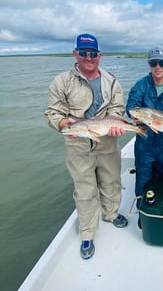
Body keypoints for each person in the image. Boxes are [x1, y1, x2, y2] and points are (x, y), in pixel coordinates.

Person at [45, 33, 128, 260]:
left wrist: (115, 122)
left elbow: (118, 108)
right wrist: (63, 123)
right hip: (78, 144)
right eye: (83, 53)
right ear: (75, 54)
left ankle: (111, 214)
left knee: (111, 180)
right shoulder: (61, 81)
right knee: (84, 189)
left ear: (99, 55)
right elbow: (53, 112)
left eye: (93, 54)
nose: (88, 58)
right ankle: (88, 233)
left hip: (108, 142)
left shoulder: (112, 81)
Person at [126, 45, 163, 217]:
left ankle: (161, 207)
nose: (157, 67)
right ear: (149, 64)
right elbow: (131, 107)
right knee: (142, 177)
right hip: (144, 142)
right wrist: (135, 116)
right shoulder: (141, 85)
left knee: (162, 176)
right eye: (154, 63)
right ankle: (143, 211)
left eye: (161, 63)